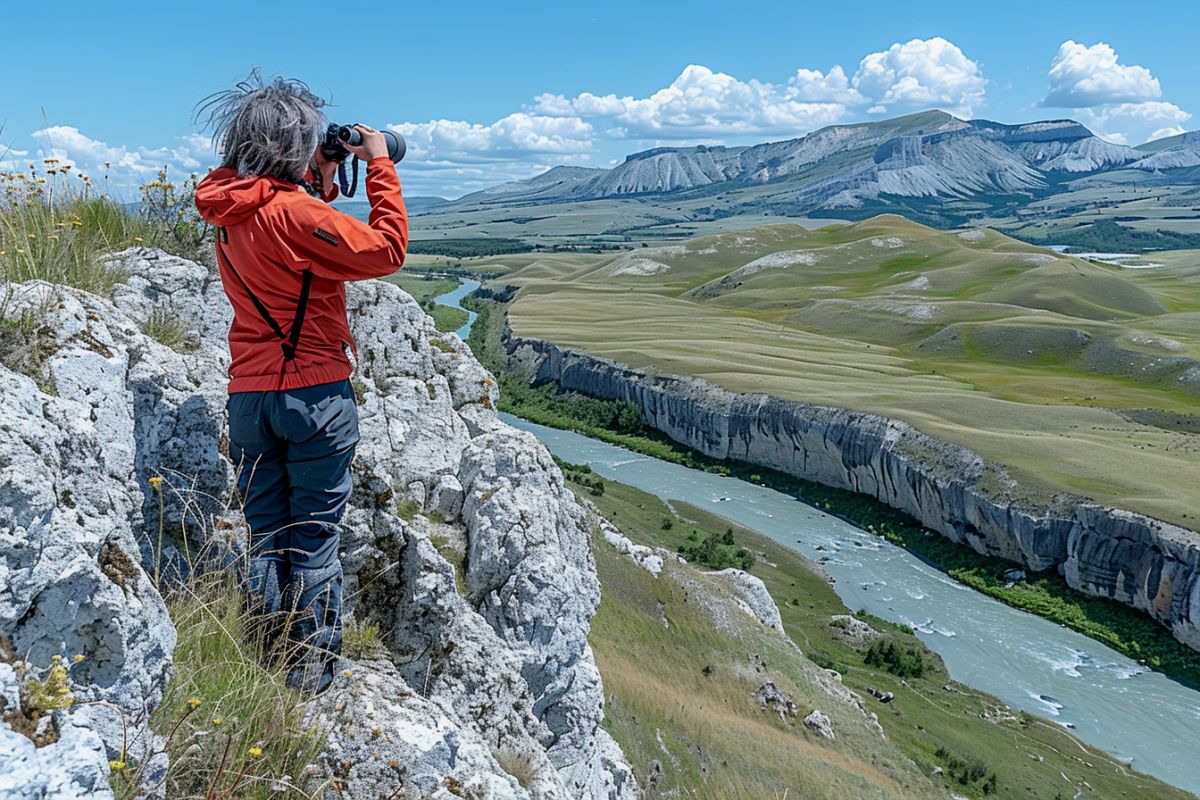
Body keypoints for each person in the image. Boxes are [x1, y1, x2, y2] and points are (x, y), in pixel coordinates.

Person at [194, 73, 407, 694]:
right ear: (295, 146)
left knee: (267, 535)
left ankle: (266, 664)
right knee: (312, 539)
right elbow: (386, 250)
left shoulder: (229, 212)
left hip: (249, 398)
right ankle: (311, 677)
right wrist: (379, 166)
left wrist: (318, 171)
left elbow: (284, 229)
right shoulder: (294, 212)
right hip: (313, 396)